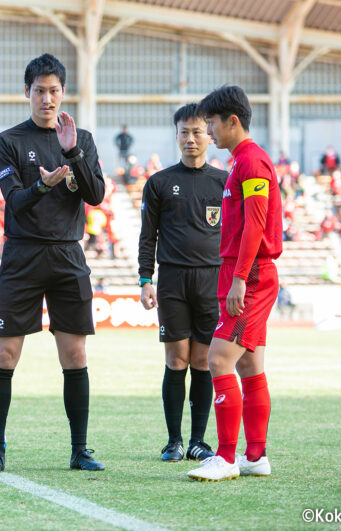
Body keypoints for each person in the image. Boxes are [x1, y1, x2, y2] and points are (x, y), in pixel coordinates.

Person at [0, 53, 106, 474]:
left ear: (63, 93)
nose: (46, 99)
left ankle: (80, 450)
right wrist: (43, 184)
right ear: (27, 93)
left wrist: (73, 154)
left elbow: (95, 196)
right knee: (6, 353)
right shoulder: (9, 141)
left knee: (74, 354)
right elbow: (14, 200)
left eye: (54, 91)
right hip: (23, 255)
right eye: (39, 91)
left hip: (69, 253)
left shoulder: (80, 139)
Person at [187, 86, 282, 482]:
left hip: (251, 273)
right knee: (248, 362)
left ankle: (226, 458)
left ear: (232, 122)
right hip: (241, 271)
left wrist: (240, 278)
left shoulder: (253, 163)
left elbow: (256, 226)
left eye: (210, 123)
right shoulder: (240, 163)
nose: (207, 131)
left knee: (218, 359)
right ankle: (255, 456)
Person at [137, 103, 227, 463]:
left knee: (203, 360)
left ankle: (198, 441)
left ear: (209, 135)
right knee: (176, 360)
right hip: (172, 280)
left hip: (211, 280)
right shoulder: (159, 182)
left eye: (197, 131)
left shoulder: (223, 182)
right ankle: (173, 440)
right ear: (176, 135)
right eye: (183, 132)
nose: (190, 138)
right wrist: (146, 279)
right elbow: (148, 236)